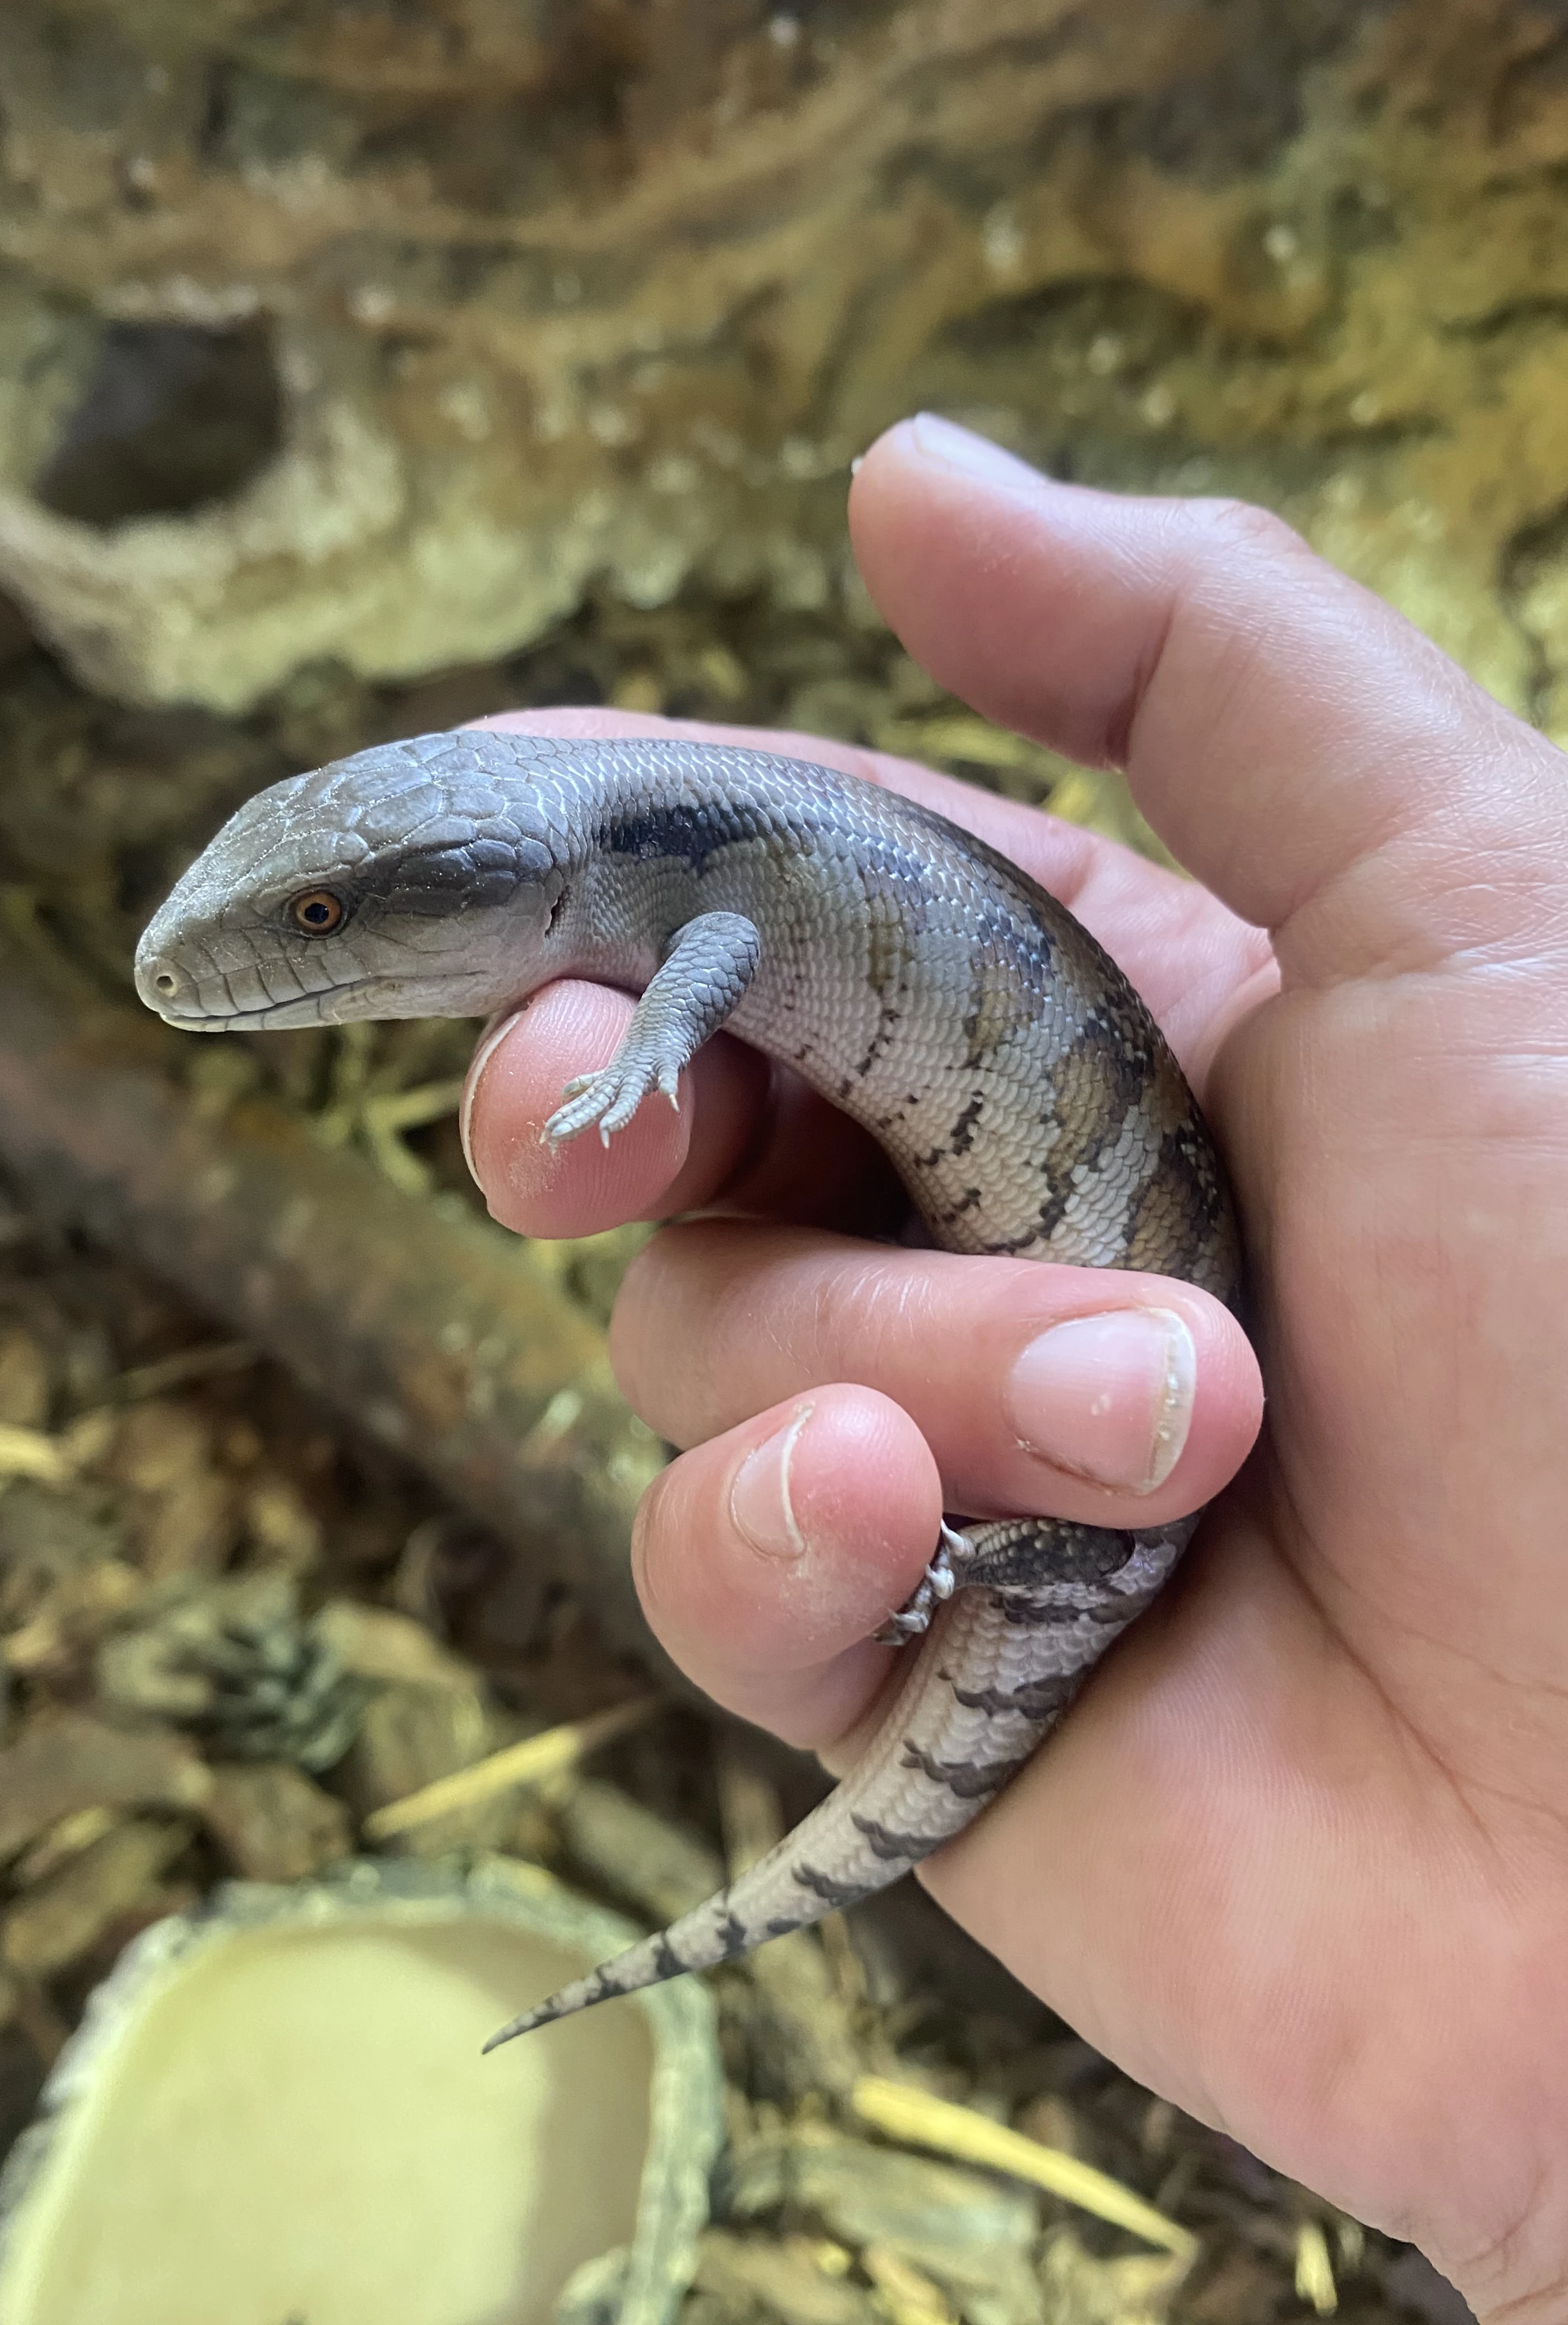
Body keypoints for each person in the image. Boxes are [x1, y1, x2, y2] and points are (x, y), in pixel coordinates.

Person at [457, 413, 1568, 2322]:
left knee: (1003, 1498)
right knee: (940, 1456)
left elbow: (713, 941)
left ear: (506, 873)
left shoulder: (681, 886)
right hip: (1111, 1399)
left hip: (1109, 1511)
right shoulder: (651, 860)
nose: (268, 960)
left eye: (313, 925)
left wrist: (662, 1044)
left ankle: (993, 1559)